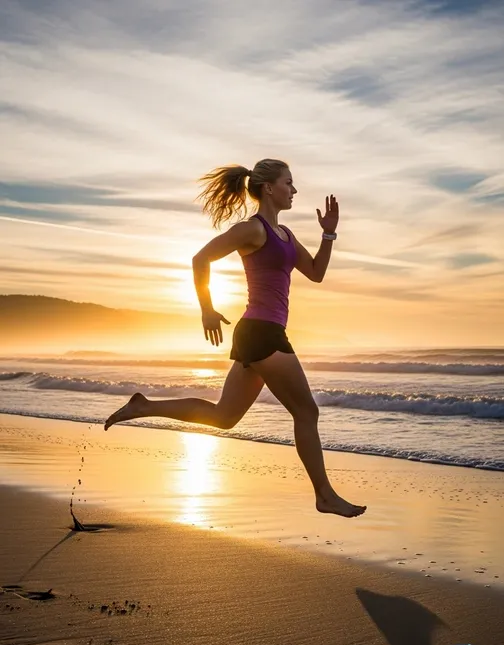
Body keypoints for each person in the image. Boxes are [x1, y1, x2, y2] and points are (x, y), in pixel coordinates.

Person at [104, 159, 366, 518]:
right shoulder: (252, 230)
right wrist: (206, 309)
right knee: (306, 411)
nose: (294, 190)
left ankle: (144, 406)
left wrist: (329, 234)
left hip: (259, 333)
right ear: (269, 188)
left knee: (225, 417)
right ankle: (324, 495)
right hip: (262, 332)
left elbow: (317, 273)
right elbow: (201, 258)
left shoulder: (286, 235)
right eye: (289, 183)